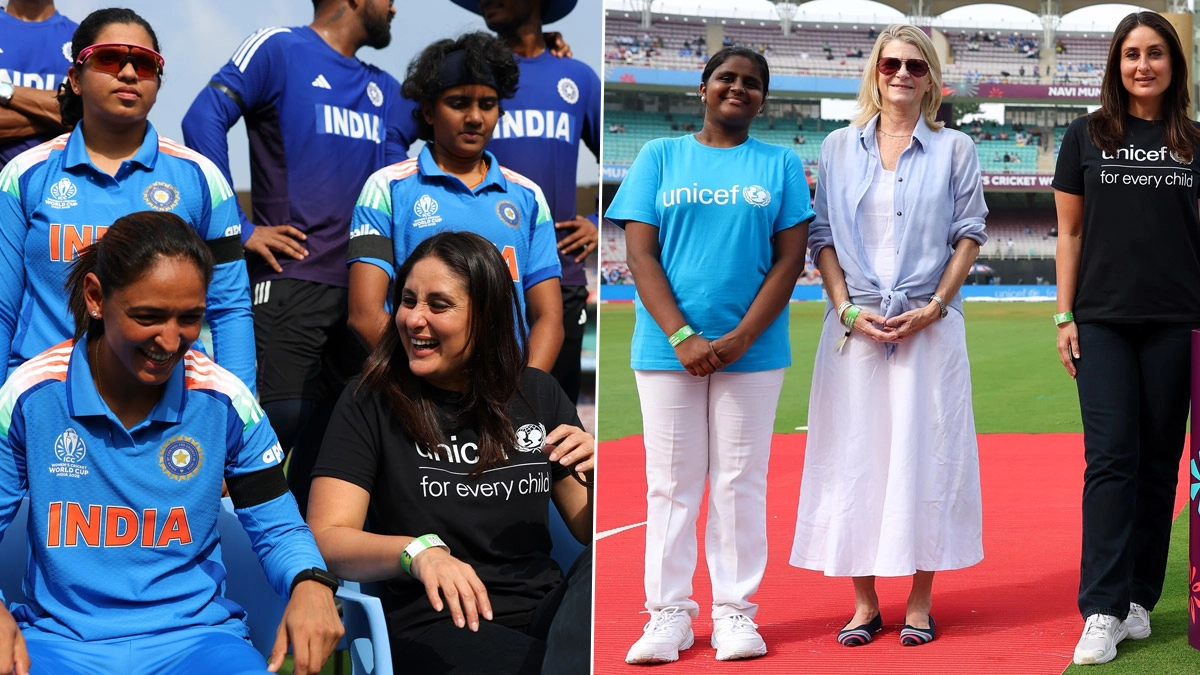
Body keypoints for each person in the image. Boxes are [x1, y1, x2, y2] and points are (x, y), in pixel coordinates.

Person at [0, 211, 343, 675]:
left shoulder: (225, 401)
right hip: (59, 645)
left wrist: (311, 582)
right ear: (96, 297)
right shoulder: (28, 396)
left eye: (190, 318)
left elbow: (279, 527)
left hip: (197, 644)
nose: (170, 339)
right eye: (148, 316)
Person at [607, 46, 813, 664]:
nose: (738, 89)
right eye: (726, 78)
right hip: (667, 350)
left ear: (763, 98)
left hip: (753, 351)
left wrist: (743, 337)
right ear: (702, 88)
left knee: (739, 484)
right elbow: (640, 256)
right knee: (670, 486)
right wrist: (682, 338)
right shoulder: (659, 155)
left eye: (752, 83)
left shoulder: (779, 163)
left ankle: (735, 614)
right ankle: (667, 614)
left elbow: (789, 260)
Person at [307, 231, 593, 674]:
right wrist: (418, 552)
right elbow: (327, 537)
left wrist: (599, 478)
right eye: (407, 300)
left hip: (546, 617)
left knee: (601, 575)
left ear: (487, 317)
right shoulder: (370, 401)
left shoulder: (537, 392)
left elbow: (588, 529)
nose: (414, 319)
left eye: (438, 305)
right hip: (436, 624)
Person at [789, 23, 987, 648]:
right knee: (855, 458)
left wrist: (933, 306)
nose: (901, 74)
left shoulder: (956, 148)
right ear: (874, 71)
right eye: (891, 64)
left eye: (915, 66)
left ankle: (922, 601)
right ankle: (865, 603)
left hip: (930, 328)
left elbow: (970, 233)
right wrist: (846, 310)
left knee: (930, 455)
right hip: (854, 331)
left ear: (931, 79)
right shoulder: (837, 148)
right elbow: (821, 239)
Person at [181, 0, 416, 516]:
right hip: (290, 280)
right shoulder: (279, 47)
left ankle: (319, 579)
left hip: (366, 293)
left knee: (343, 446)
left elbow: (455, 101)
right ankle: (211, 566)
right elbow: (203, 117)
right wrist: (235, 227)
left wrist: (535, 60)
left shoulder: (385, 87)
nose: (395, 6)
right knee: (271, 425)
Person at [1051, 11, 1200, 666]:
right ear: (1116, 64)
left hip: (1179, 320)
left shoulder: (1195, 141)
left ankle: (1140, 597)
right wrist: (1064, 315)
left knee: (1159, 462)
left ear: (1175, 65)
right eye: (1132, 53)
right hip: (1103, 321)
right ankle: (1102, 608)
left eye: (1157, 53)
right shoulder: (1085, 136)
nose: (1144, 64)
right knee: (1111, 458)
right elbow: (1071, 235)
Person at [0, 8, 255, 388]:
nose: (130, 73)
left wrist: (238, 409)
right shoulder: (23, 176)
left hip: (169, 409)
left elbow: (230, 309)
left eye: (147, 64)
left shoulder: (202, 179)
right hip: (43, 405)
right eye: (109, 58)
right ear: (75, 79)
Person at [347, 32, 563, 372]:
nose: (476, 117)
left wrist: (526, 392)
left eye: (488, 105)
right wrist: (430, 388)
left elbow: (548, 317)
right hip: (419, 396)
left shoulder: (529, 196)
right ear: (429, 112)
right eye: (459, 103)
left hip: (505, 397)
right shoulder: (387, 187)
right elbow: (364, 313)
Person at [450, 0, 602, 405]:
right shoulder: (468, 71)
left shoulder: (578, 78)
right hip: (475, 274)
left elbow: (631, 171)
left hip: (557, 277)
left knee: (553, 419)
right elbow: (400, 131)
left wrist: (597, 219)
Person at [0, 0, 75, 168]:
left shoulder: (81, 40)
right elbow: (79, 114)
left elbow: (89, 114)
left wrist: (4, 91)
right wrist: (60, 117)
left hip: (61, 185)